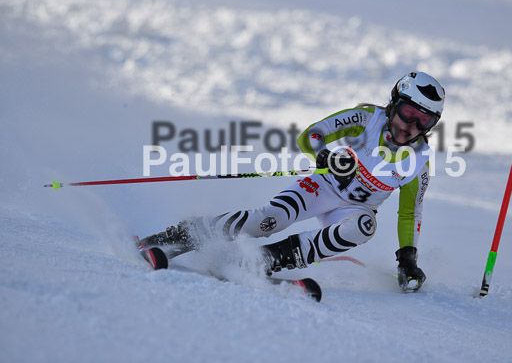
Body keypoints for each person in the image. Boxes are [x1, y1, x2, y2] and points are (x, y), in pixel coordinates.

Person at [139, 71, 445, 292]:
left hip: (351, 210)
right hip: (323, 188)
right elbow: (310, 134)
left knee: (365, 226)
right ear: (394, 103)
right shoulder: (367, 118)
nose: (412, 125)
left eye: (425, 120)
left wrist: (408, 257)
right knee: (269, 220)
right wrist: (324, 156)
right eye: (408, 112)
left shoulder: (418, 162)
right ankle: (180, 235)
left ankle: (265, 260)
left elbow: (410, 213)